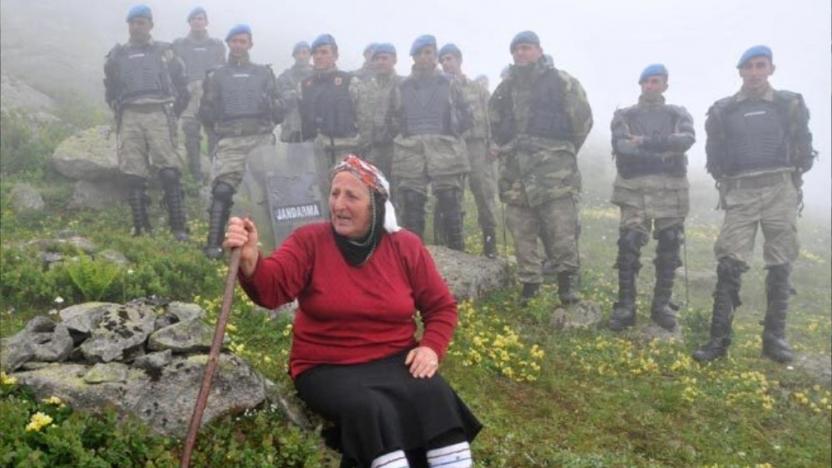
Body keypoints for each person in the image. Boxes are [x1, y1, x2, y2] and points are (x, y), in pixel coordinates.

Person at [223, 155, 481, 468]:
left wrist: (431, 347)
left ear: (376, 206)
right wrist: (252, 262)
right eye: (334, 194)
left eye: (351, 196)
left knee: (434, 394)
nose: (339, 205)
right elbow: (272, 288)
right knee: (370, 407)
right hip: (326, 366)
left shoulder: (405, 247)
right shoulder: (309, 241)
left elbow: (440, 307)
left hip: (395, 359)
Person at [693, 45, 816, 363]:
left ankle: (774, 339)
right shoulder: (724, 110)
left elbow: (804, 149)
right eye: (748, 67)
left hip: (780, 188)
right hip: (741, 190)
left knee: (780, 262)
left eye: (760, 66)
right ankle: (718, 341)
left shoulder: (789, 104)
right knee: (729, 262)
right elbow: (714, 156)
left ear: (771, 69)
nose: (755, 72)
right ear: (740, 72)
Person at [489, 31, 593, 305]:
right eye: (516, 50)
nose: (521, 54)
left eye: (526, 48)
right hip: (515, 175)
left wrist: (560, 154)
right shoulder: (504, 88)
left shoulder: (562, 82)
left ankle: (567, 286)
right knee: (522, 232)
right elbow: (494, 125)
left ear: (539, 50)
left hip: (554, 174)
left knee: (561, 232)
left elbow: (582, 122)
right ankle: (530, 286)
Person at [607, 64, 695, 332]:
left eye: (655, 81)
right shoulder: (624, 115)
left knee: (670, 245)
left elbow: (686, 140)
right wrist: (663, 151)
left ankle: (661, 305)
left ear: (665, 84)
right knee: (629, 244)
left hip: (671, 187)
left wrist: (643, 142)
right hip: (634, 188)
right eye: (645, 82)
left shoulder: (679, 113)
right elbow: (621, 145)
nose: (650, 86)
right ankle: (626, 305)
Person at [104, 4, 190, 240]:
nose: (136, 26)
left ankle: (178, 226)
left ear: (150, 25)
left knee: (170, 170)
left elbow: (182, 85)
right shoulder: (116, 55)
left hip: (159, 112)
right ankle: (142, 228)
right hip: (130, 114)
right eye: (132, 22)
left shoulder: (165, 52)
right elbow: (109, 89)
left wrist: (173, 113)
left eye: (141, 22)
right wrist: (118, 109)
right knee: (133, 173)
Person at [198, 24, 284, 259]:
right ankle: (214, 245)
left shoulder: (264, 73)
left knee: (270, 190)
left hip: (261, 137)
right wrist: (217, 137)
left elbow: (278, 110)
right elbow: (205, 111)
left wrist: (275, 107)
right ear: (228, 43)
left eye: (242, 41)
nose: (238, 45)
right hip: (231, 140)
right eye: (234, 41)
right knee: (223, 190)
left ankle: (278, 243)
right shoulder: (216, 75)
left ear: (250, 44)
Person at [390, 35, 472, 251]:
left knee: (449, 202)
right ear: (413, 58)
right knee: (411, 203)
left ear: (435, 55)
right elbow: (393, 117)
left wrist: (450, 132)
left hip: (444, 148)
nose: (424, 57)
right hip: (410, 150)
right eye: (419, 53)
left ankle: (456, 251)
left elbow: (466, 114)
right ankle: (413, 255)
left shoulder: (450, 82)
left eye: (428, 52)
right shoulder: (402, 86)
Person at [439, 43, 498, 258]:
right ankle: (454, 243)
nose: (446, 63)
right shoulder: (438, 88)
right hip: (449, 146)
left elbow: (491, 117)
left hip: (476, 146)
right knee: (451, 194)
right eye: (443, 59)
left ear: (459, 60)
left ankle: (490, 243)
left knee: (483, 192)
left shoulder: (477, 88)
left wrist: (492, 144)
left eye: (450, 58)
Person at [299, 34, 362, 206]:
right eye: (316, 53)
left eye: (324, 52)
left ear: (335, 55)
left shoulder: (349, 81)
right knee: (318, 194)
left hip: (343, 148)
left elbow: (363, 115)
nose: (319, 56)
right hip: (314, 149)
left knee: (344, 194)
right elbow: (300, 118)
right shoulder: (305, 84)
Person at [172, 6, 226, 182]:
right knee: (191, 133)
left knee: (213, 133)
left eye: (201, 18)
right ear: (189, 22)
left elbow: (223, 70)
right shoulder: (179, 44)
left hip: (210, 92)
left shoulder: (217, 45)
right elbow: (173, 71)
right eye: (194, 18)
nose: (197, 21)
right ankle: (196, 176)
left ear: (206, 22)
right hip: (188, 93)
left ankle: (215, 173)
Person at [352, 43, 401, 180]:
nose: (380, 62)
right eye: (377, 59)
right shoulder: (365, 87)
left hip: (396, 151)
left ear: (394, 60)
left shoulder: (403, 85)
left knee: (396, 194)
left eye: (384, 58)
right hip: (369, 151)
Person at [276, 41, 312, 143]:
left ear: (310, 55)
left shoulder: (318, 75)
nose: (301, 56)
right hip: (293, 131)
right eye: (298, 53)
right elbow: (281, 97)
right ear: (294, 56)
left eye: (304, 52)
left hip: (316, 131)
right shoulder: (285, 76)